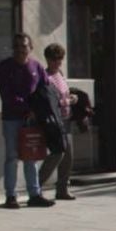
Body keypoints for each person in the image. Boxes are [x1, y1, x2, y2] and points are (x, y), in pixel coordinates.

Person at [0, 33, 52, 209]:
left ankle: (34, 194)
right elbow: (7, 95)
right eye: (17, 47)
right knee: (12, 157)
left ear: (30, 48)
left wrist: (40, 110)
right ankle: (11, 196)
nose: (21, 50)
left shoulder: (36, 66)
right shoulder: (5, 67)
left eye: (24, 46)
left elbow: (46, 89)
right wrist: (27, 109)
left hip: (32, 120)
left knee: (31, 157)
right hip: (12, 118)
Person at [34, 43, 78, 201]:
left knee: (69, 156)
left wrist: (72, 97)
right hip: (54, 121)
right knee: (57, 154)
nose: (58, 62)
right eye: (54, 59)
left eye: (60, 59)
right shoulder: (46, 78)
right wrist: (67, 102)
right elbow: (51, 101)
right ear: (48, 59)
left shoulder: (60, 74)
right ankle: (36, 185)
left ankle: (62, 188)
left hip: (66, 119)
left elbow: (64, 94)